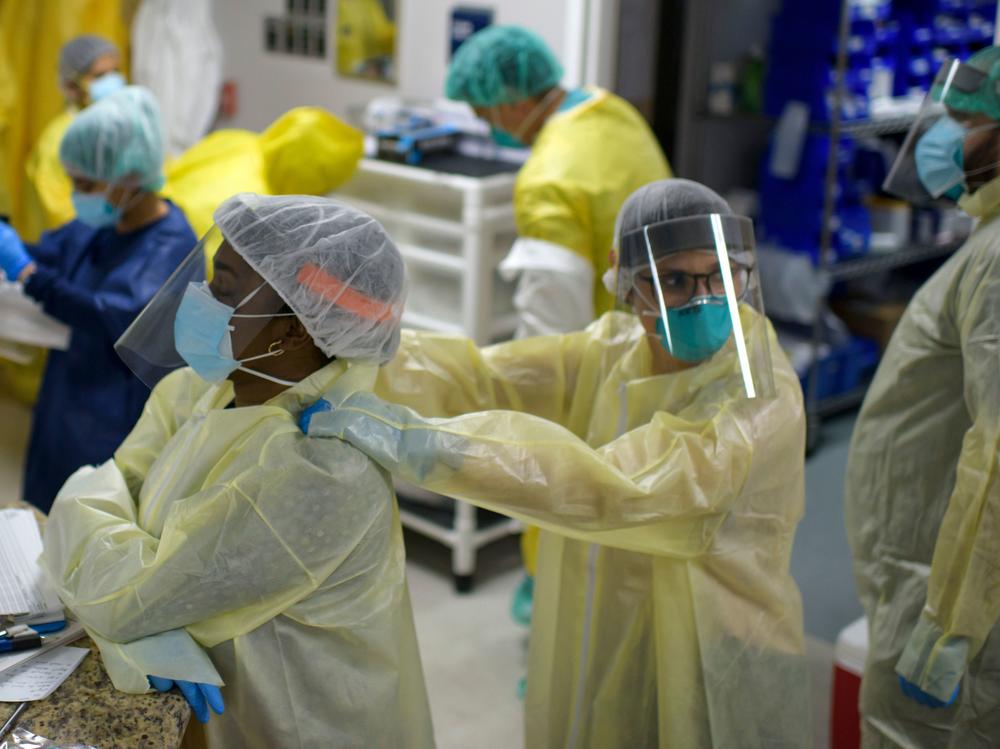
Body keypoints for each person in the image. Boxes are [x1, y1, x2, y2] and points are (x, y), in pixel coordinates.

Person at [301, 179, 812, 748]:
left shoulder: (761, 394)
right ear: (625, 280)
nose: (703, 298)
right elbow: (483, 377)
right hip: (598, 619)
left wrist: (424, 446)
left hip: (710, 639)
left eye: (721, 275)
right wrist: (359, 340)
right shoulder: (613, 350)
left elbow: (627, 489)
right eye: (673, 280)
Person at [40, 193, 435, 748]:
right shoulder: (208, 387)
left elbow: (128, 594)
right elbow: (119, 488)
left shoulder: (320, 468)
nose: (200, 300)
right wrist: (132, 581)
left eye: (224, 290)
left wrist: (97, 536)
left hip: (299, 723)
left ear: (294, 329)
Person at [446, 23, 672, 624]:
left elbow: (553, 331)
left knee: (575, 537)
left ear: (514, 98)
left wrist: (504, 407)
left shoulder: (550, 178)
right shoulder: (612, 112)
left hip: (601, 386)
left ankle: (567, 658)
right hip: (663, 355)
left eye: (482, 107)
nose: (483, 120)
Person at [845, 49, 1000, 747]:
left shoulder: (998, 261)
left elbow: (996, 459)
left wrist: (950, 623)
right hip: (928, 564)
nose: (941, 137)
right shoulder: (987, 239)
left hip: (942, 585)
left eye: (963, 121)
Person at [0, 86, 195, 513]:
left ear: (129, 176)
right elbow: (55, 249)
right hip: (68, 391)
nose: (77, 193)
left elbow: (109, 313)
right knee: (44, 508)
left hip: (113, 413)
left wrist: (27, 274)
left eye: (85, 183)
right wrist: (13, 247)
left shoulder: (169, 248)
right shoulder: (109, 220)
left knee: (90, 519)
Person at [23, 35, 127, 241]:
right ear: (71, 86)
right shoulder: (58, 141)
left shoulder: (123, 122)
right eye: (99, 76)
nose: (112, 81)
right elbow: (58, 213)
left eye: (115, 72)